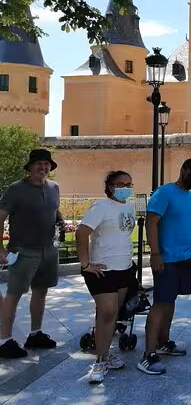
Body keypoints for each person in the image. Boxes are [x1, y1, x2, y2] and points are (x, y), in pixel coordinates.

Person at [138, 159, 191, 375]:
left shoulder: (190, 196)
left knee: (171, 301)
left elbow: (186, 223)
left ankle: (164, 341)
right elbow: (151, 221)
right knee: (160, 303)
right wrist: (155, 253)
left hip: (185, 258)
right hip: (166, 259)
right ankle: (148, 354)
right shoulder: (165, 192)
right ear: (183, 170)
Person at [0, 149, 62, 359]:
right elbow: (0, 217)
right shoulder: (16, 189)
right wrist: (0, 248)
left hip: (48, 250)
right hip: (23, 250)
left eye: (46, 164)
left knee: (41, 291)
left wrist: (59, 225)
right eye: (38, 163)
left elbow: (54, 211)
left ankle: (35, 333)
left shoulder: (55, 187)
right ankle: (4, 340)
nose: (43, 167)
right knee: (14, 294)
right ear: (30, 166)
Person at [76, 171, 136, 383]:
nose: (125, 187)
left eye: (128, 183)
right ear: (110, 186)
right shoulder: (100, 206)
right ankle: (99, 361)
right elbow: (81, 232)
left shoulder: (129, 206)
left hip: (124, 269)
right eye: (120, 183)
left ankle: (106, 354)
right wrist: (85, 264)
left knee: (111, 315)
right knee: (108, 314)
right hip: (103, 270)